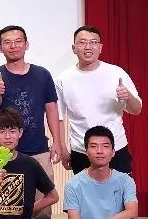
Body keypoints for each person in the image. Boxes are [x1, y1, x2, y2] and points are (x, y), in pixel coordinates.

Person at [0, 25, 63, 193]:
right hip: (5, 152)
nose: (13, 46)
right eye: (7, 42)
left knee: (44, 201)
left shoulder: (42, 74)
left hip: (39, 149)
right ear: (0, 48)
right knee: (8, 202)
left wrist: (57, 141)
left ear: (26, 44)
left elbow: (51, 108)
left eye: (18, 41)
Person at [55, 26, 142, 175]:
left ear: (100, 47)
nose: (88, 47)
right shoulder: (63, 79)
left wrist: (128, 97)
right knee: (84, 191)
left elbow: (136, 110)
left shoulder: (116, 73)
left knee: (121, 190)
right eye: (82, 42)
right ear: (74, 48)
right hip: (81, 150)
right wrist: (63, 148)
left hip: (115, 148)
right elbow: (59, 117)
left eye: (93, 42)